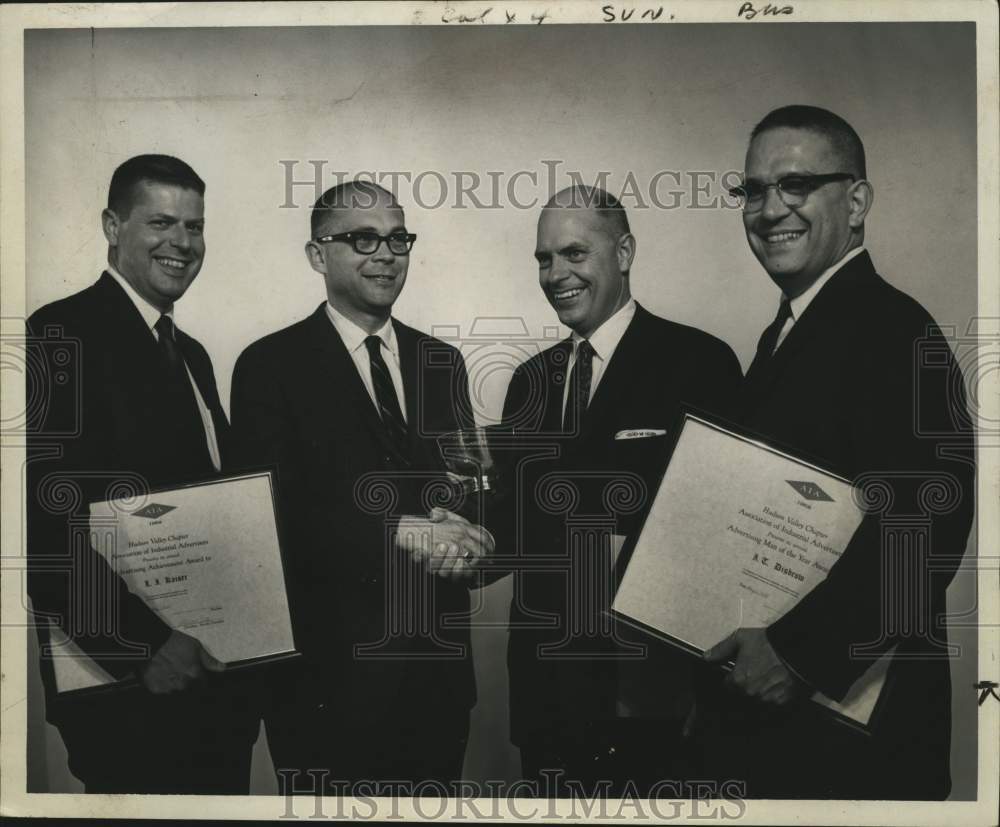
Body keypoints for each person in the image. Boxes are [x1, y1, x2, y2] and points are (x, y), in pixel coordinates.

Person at [697, 105, 975, 799]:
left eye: (796, 184)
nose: (770, 210)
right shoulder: (790, 331)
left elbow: (928, 522)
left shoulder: (892, 326)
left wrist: (801, 654)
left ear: (856, 203)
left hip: (852, 748)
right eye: (753, 190)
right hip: (783, 735)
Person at [230, 181, 492, 795]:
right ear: (317, 255)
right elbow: (266, 519)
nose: (386, 255)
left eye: (398, 239)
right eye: (363, 239)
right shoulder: (269, 365)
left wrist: (475, 533)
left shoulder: (442, 361)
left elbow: (467, 486)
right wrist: (398, 530)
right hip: (325, 684)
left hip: (436, 678)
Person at [496, 186, 742, 796]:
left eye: (574, 253)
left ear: (625, 252)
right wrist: (466, 536)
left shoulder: (699, 362)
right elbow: (513, 529)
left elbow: (727, 536)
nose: (556, 274)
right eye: (544, 259)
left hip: (652, 696)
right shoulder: (529, 382)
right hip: (546, 697)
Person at [26, 154, 260, 793]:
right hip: (131, 685)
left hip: (213, 678)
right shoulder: (60, 332)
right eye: (161, 222)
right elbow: (41, 526)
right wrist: (142, 647)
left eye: (194, 226)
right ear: (112, 226)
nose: (182, 242)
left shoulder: (192, 355)